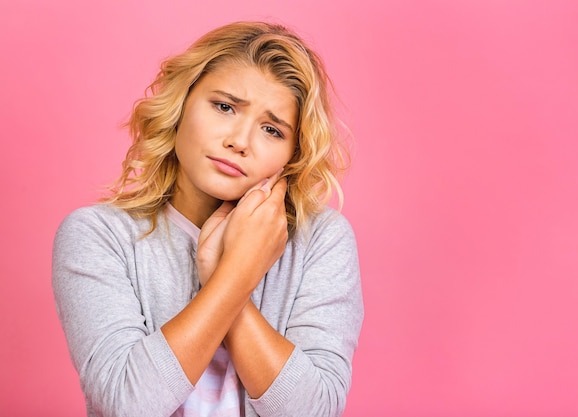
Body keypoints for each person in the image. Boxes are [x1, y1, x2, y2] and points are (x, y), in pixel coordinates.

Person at [52, 21, 364, 417]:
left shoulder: (321, 240)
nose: (239, 141)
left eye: (271, 129)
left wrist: (222, 271)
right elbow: (126, 405)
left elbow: (313, 411)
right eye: (224, 106)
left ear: (292, 154)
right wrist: (236, 273)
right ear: (181, 104)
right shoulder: (98, 236)